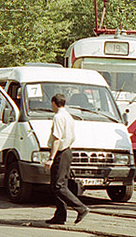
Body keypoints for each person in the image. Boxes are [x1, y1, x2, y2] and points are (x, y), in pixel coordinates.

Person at [43, 93, 89, 225]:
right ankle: (60, 215)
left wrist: (51, 158)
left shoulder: (58, 117)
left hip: (61, 152)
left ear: (54, 103)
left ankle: (81, 208)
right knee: (60, 184)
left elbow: (57, 139)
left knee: (58, 185)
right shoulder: (68, 116)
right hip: (68, 151)